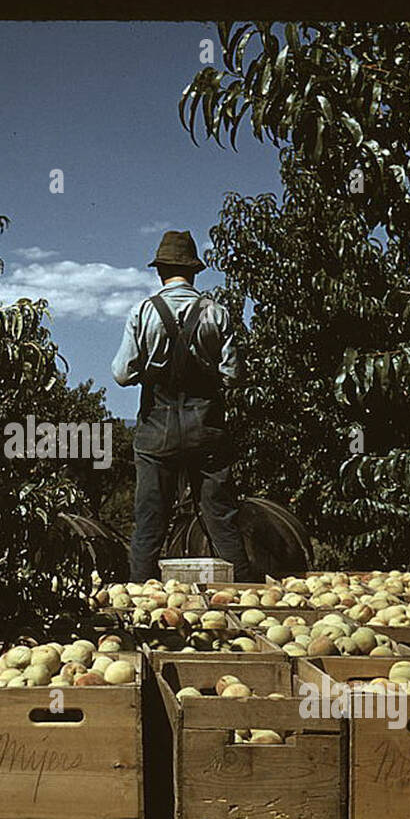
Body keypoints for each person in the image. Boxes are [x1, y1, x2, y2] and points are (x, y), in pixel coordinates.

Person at [111, 230, 253, 582]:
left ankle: (139, 603)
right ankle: (248, 593)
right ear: (194, 272)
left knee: (149, 521)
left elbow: (121, 374)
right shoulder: (217, 312)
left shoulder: (143, 311)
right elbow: (234, 374)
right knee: (221, 517)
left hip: (156, 433)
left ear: (160, 271)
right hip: (206, 430)